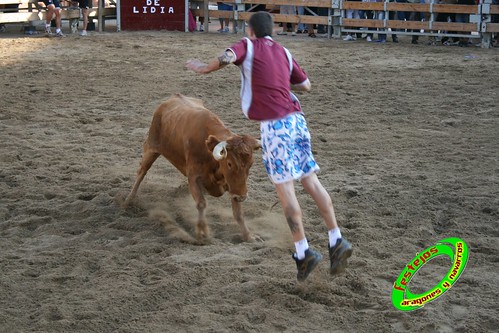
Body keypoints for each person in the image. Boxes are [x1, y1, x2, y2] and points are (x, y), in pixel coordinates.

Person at [186, 11, 353, 282]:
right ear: (272, 31)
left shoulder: (247, 45)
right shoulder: (284, 52)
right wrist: (278, 83)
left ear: (251, 31)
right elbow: (306, 85)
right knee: (311, 182)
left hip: (274, 127)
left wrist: (204, 67)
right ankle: (336, 239)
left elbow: (227, 57)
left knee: (286, 190)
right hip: (298, 121)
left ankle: (303, 252)